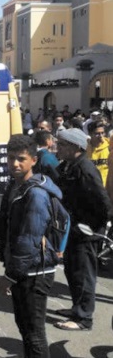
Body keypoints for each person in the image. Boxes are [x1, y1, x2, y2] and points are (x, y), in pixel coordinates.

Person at [0, 135, 63, 358]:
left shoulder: (35, 193)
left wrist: (11, 276)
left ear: (33, 160)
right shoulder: (16, 187)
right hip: (26, 269)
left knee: (34, 333)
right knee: (25, 327)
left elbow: (29, 239)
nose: (15, 163)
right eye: (11, 158)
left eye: (21, 159)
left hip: (36, 271)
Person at [54, 128, 113, 331]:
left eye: (61, 144)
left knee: (84, 273)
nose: (57, 147)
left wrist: (93, 227)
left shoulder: (85, 168)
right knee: (72, 270)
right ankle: (76, 308)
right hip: (73, 230)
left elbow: (103, 203)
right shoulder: (69, 166)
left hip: (86, 232)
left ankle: (83, 318)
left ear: (75, 147)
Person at [87, 120, 109, 187]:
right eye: (97, 133)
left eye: (102, 133)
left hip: (108, 187)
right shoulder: (85, 149)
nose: (101, 136)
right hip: (93, 188)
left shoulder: (110, 147)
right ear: (90, 134)